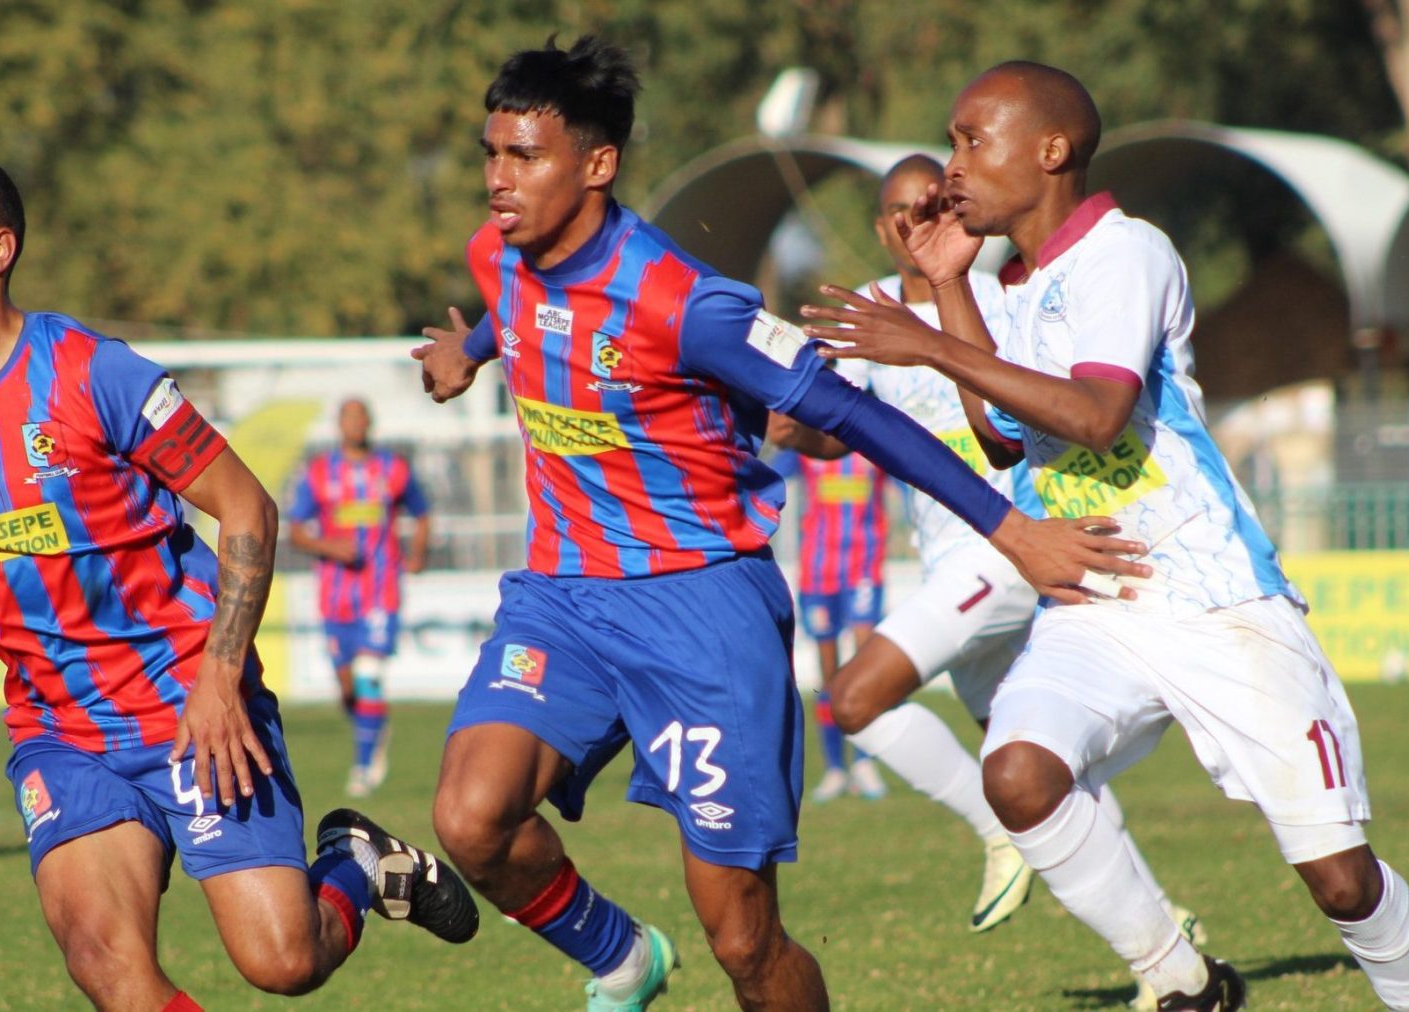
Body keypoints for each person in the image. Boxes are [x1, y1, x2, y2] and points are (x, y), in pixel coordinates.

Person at [412, 37, 1149, 1012]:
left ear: (597, 165)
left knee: (744, 938)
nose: (499, 181)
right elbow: (513, 312)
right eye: (491, 153)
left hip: (702, 608)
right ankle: (623, 956)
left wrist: (1011, 530)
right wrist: (467, 355)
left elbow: (851, 413)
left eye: (525, 157)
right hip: (563, 599)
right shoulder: (494, 252)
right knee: (471, 820)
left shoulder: (686, 300)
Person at [804, 62, 1409, 1012]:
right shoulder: (1009, 279)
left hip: (1213, 602)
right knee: (1017, 777)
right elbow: (997, 435)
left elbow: (1100, 415)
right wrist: (947, 293)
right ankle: (1183, 982)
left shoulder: (1125, 252)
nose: (951, 168)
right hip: (1094, 601)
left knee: (1342, 882)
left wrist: (935, 344)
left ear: (1051, 150)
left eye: (972, 141)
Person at [0, 152, 477, 1009]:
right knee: (105, 963)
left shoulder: (88, 373)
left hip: (192, 704)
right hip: (62, 731)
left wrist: (221, 676)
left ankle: (352, 864)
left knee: (283, 962)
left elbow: (248, 510)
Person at [778, 158, 1207, 1010]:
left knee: (855, 697)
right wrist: (788, 426)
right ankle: (1168, 943)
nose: (914, 223)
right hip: (951, 560)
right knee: (1045, 776)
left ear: (957, 210)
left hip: (1009, 544)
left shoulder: (1002, 296)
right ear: (879, 226)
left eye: (931, 205)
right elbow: (840, 428)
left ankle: (992, 833)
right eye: (898, 212)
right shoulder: (873, 311)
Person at [286, 398, 431, 798]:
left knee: (369, 675)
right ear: (339, 424)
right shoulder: (319, 474)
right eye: (347, 417)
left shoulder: (393, 470)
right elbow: (296, 530)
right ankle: (374, 727)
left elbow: (422, 512)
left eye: (360, 416)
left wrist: (418, 553)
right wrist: (329, 547)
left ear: (370, 422)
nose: (355, 424)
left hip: (380, 592)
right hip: (335, 597)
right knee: (349, 687)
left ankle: (363, 767)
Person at [767, 446, 888, 803]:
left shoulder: (873, 443)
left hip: (865, 567)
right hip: (819, 572)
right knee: (828, 673)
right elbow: (770, 476)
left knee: (866, 664)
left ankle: (865, 762)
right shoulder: (807, 445)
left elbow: (914, 478)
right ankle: (836, 768)